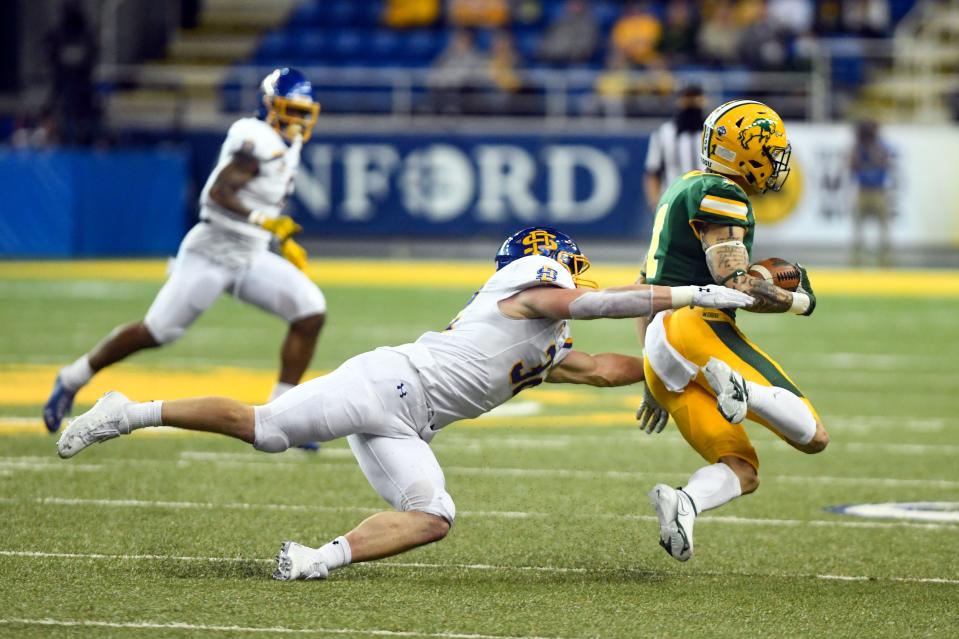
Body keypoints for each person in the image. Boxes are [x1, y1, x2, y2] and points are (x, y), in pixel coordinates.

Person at [57, 227, 754, 580]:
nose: (577, 273)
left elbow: (604, 368)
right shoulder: (532, 286)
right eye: (569, 264)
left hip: (410, 423)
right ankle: (131, 408)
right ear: (549, 258)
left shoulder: (545, 341)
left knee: (433, 515)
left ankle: (313, 559)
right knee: (267, 430)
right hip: (386, 381)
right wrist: (687, 294)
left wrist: (680, 369)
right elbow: (596, 303)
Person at [43, 68, 327, 443]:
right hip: (212, 250)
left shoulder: (286, 143)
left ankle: (283, 411)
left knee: (310, 311)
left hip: (249, 253)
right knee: (157, 331)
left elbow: (261, 200)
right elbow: (217, 194)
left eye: (303, 111)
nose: (299, 118)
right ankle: (72, 377)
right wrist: (262, 219)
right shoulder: (254, 140)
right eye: (292, 109)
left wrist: (274, 236)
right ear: (271, 105)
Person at [636, 100, 830, 562]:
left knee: (743, 469)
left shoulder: (683, 185)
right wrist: (800, 299)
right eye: (773, 151)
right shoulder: (722, 193)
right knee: (814, 436)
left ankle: (685, 502)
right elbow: (734, 284)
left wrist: (652, 375)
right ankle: (742, 389)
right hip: (695, 326)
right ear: (748, 153)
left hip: (660, 342)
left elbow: (645, 285)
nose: (778, 162)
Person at [643, 85, 707, 213]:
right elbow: (652, 172)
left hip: (707, 203)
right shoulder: (664, 133)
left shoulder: (713, 132)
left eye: (695, 97)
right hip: (672, 204)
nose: (691, 102)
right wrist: (655, 204)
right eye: (687, 97)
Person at [849, 120, 892, 267]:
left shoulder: (879, 146)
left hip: (878, 191)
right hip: (863, 190)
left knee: (883, 226)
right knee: (858, 226)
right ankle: (857, 259)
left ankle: (885, 259)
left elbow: (882, 162)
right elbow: (852, 165)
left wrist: (866, 158)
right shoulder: (858, 147)